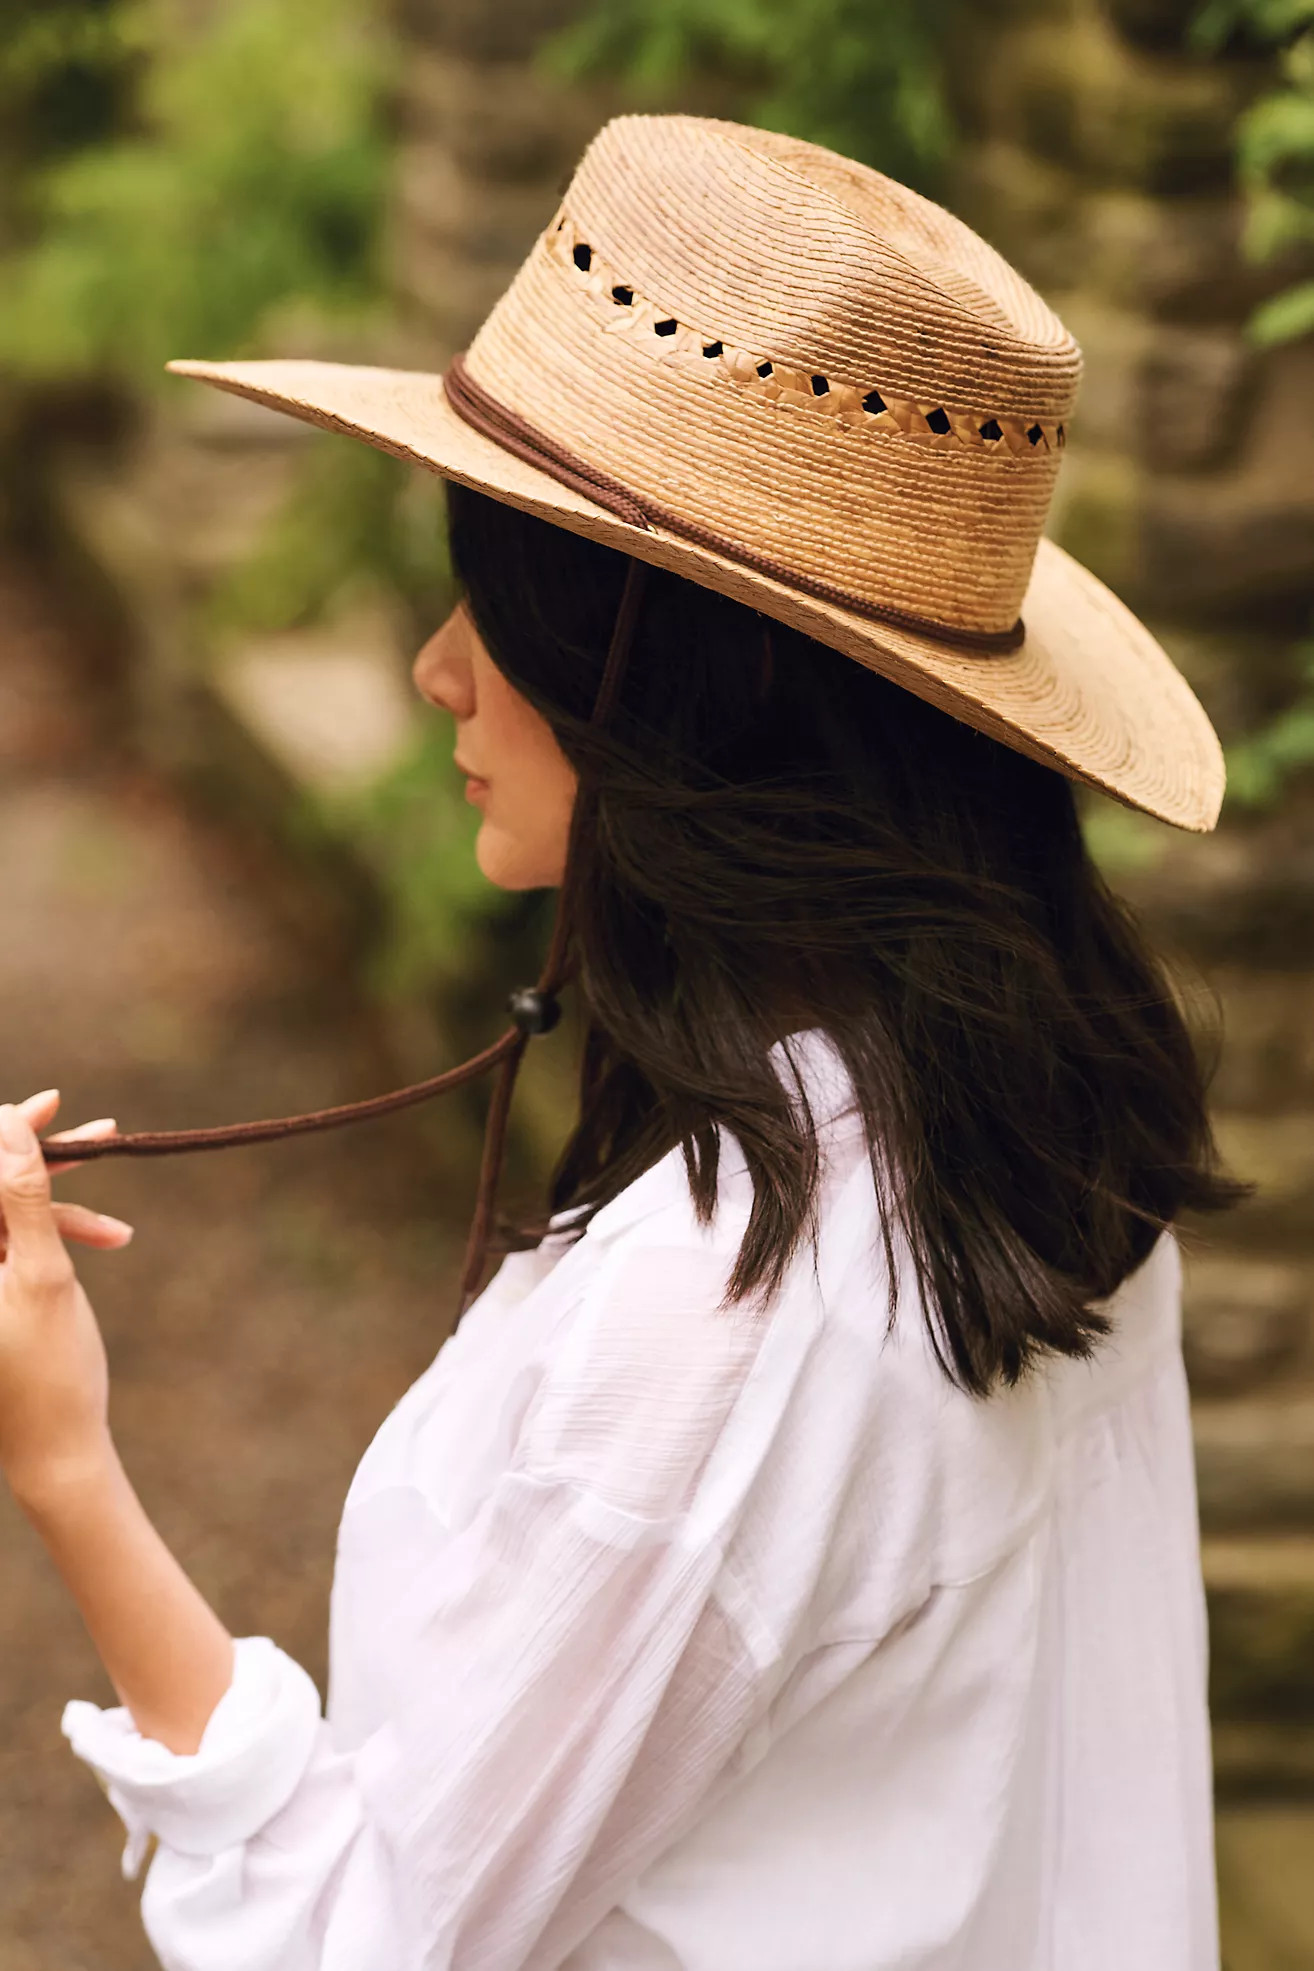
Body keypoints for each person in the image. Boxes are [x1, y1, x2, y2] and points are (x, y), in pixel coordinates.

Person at [0, 115, 1241, 1970]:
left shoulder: (732, 1311)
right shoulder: (1031, 1116)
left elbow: (365, 1945)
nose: (433, 668)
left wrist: (66, 1467)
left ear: (652, 682)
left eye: (492, 606)